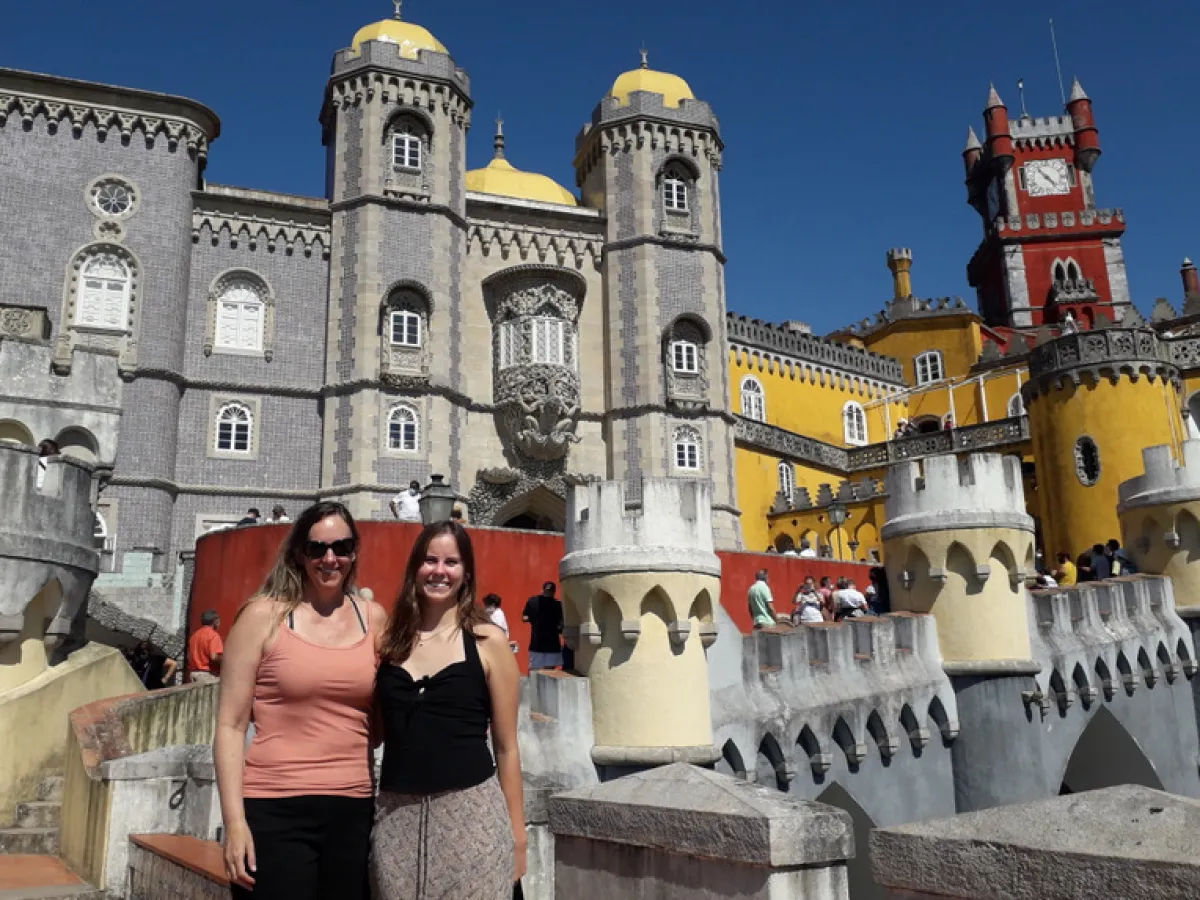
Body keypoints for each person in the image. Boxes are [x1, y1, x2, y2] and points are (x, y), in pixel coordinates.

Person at [214, 502, 386, 900]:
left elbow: (382, 718)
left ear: (354, 552)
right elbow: (230, 725)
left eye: (341, 547)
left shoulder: (374, 618)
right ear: (299, 553)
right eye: (317, 549)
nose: (330, 559)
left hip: (353, 808)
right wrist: (234, 823)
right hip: (275, 808)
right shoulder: (262, 617)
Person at [372, 521, 524, 898]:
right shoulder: (389, 641)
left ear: (466, 572)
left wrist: (517, 834)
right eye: (429, 560)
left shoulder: (488, 642)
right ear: (414, 568)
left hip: (472, 818)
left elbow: (506, 747)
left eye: (451, 562)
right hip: (396, 819)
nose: (439, 571)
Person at [522, 582, 564, 670]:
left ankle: (533, 684)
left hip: (536, 643)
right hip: (552, 644)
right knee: (550, 672)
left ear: (543, 590)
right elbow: (562, 623)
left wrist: (534, 619)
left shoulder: (532, 601)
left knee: (534, 671)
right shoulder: (558, 604)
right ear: (554, 591)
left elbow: (524, 618)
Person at [187, 610, 224, 683]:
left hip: (193, 673)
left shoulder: (194, 635)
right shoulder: (213, 635)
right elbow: (214, 657)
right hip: (207, 675)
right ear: (215, 621)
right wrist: (225, 663)